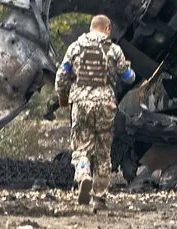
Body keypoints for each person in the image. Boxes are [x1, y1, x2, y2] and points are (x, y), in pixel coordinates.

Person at [55, 14, 136, 211]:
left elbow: (61, 77)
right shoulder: (114, 50)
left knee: (82, 148)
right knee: (103, 152)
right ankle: (99, 198)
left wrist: (64, 99)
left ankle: (83, 175)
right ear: (107, 28)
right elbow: (128, 77)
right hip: (105, 104)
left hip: (81, 103)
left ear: (91, 28)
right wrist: (129, 71)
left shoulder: (75, 48)